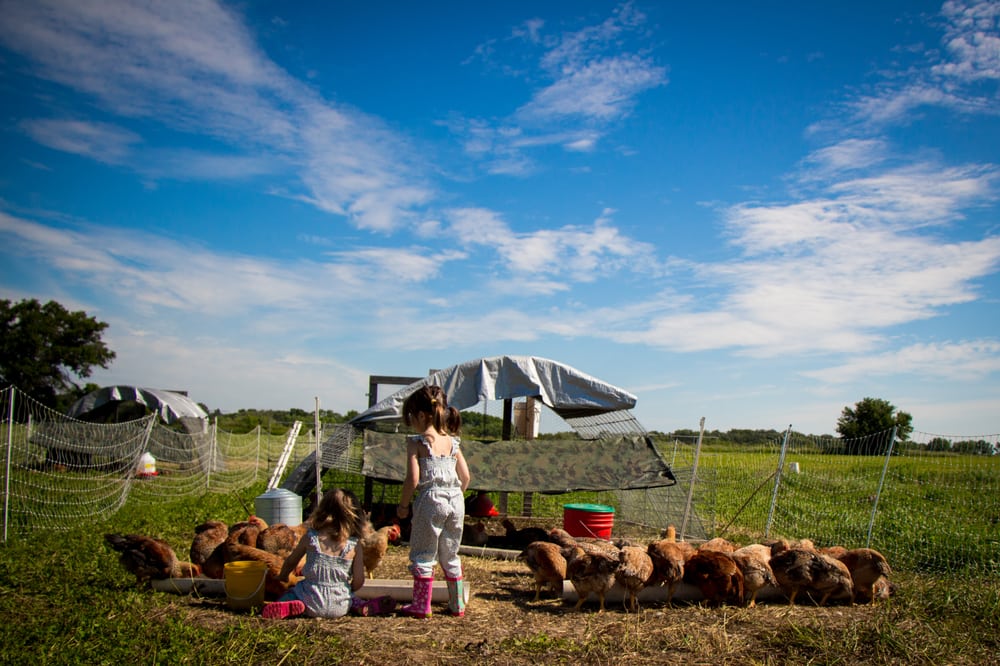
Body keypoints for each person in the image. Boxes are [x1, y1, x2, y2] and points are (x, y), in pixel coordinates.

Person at [395, 385, 472, 618]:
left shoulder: (417, 442)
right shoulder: (453, 442)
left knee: (423, 552)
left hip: (431, 499)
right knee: (450, 553)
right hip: (456, 500)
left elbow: (413, 478)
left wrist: (403, 505)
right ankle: (457, 605)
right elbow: (466, 477)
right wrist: (455, 496)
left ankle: (421, 605)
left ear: (420, 415)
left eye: (411, 417)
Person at [262, 488, 395, 619]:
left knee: (293, 592)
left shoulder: (311, 537)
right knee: (351, 597)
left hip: (310, 600)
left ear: (322, 510)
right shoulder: (354, 545)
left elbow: (291, 561)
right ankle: (359, 605)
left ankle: (286, 605)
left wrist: (283, 576)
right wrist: (348, 590)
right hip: (340, 605)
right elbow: (359, 581)